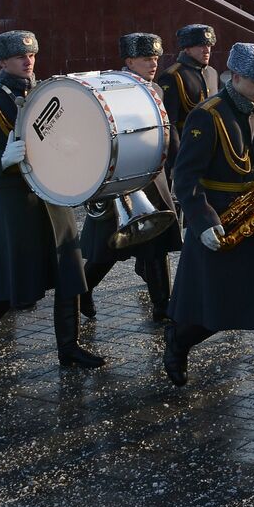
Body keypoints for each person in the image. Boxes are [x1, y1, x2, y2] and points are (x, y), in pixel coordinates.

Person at [162, 43, 254, 394]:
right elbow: (184, 177)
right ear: (237, 76)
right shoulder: (207, 115)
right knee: (222, 308)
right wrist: (203, 221)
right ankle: (179, 341)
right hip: (222, 220)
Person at [0, 30, 102, 368]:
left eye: (32, 54)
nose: (28, 60)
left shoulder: (48, 93)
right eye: (20, 56)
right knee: (17, 275)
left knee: (69, 269)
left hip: (54, 191)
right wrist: (1, 159)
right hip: (16, 198)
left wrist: (72, 147)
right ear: (1, 61)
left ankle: (69, 347)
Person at [80, 33, 182, 323]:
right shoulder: (110, 89)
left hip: (153, 174)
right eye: (146, 58)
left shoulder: (156, 90)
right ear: (128, 61)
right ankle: (82, 291)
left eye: (156, 57)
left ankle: (163, 306)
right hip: (120, 177)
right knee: (107, 249)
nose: (154, 63)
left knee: (157, 243)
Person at [159, 24, 219, 177]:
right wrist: (178, 159)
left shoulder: (212, 73)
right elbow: (169, 123)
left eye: (209, 45)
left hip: (212, 148)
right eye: (200, 45)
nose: (206, 50)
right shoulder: (172, 76)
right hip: (188, 147)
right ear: (187, 48)